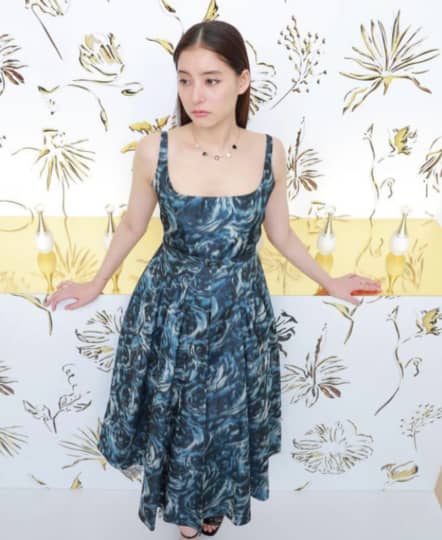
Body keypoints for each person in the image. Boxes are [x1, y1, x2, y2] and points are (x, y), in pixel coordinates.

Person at [44, 19, 381, 539]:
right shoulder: (154, 150)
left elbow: (281, 234)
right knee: (178, 412)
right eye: (184, 80)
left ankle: (211, 504)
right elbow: (133, 225)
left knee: (225, 413)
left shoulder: (269, 150)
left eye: (211, 79)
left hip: (239, 308)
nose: (195, 95)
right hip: (169, 305)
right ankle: (183, 508)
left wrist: (330, 280)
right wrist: (93, 283)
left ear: (242, 81)